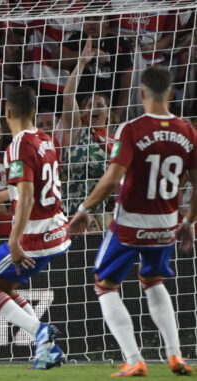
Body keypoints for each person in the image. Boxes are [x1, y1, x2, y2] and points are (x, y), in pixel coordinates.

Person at [68, 66, 195, 377]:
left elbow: (112, 179)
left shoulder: (132, 129)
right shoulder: (188, 131)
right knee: (153, 281)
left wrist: (85, 208)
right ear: (171, 94)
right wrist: (189, 221)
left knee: (105, 285)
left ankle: (134, 358)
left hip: (130, 224)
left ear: (141, 93)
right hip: (166, 224)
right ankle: (175, 355)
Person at [0, 86, 69, 369]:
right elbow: (36, 187)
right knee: (3, 287)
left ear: (7, 112)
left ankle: (41, 333)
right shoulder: (45, 140)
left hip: (33, 239)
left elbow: (26, 197)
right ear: (34, 111)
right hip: (57, 233)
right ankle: (48, 350)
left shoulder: (18, 145)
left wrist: (15, 241)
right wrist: (2, 195)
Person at [61, 39, 118, 229]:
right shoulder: (78, 130)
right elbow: (68, 96)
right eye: (89, 105)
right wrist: (82, 63)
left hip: (100, 215)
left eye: (99, 106)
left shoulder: (117, 141)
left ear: (108, 112)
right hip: (68, 212)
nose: (93, 109)